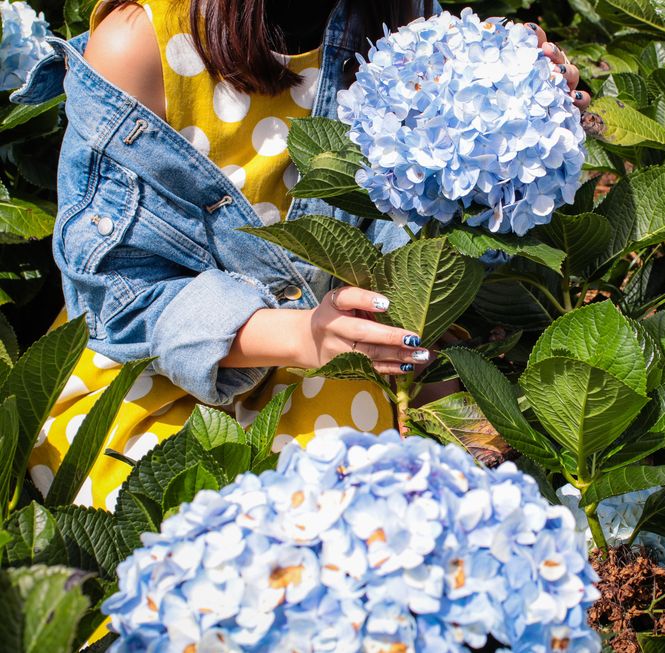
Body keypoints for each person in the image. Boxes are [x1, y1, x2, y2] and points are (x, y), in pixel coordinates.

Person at [14, 0, 590, 511]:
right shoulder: (140, 44)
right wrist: (304, 336)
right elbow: (115, 297)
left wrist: (521, 123)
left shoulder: (397, 15)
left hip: (357, 346)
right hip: (164, 370)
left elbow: (425, 234)